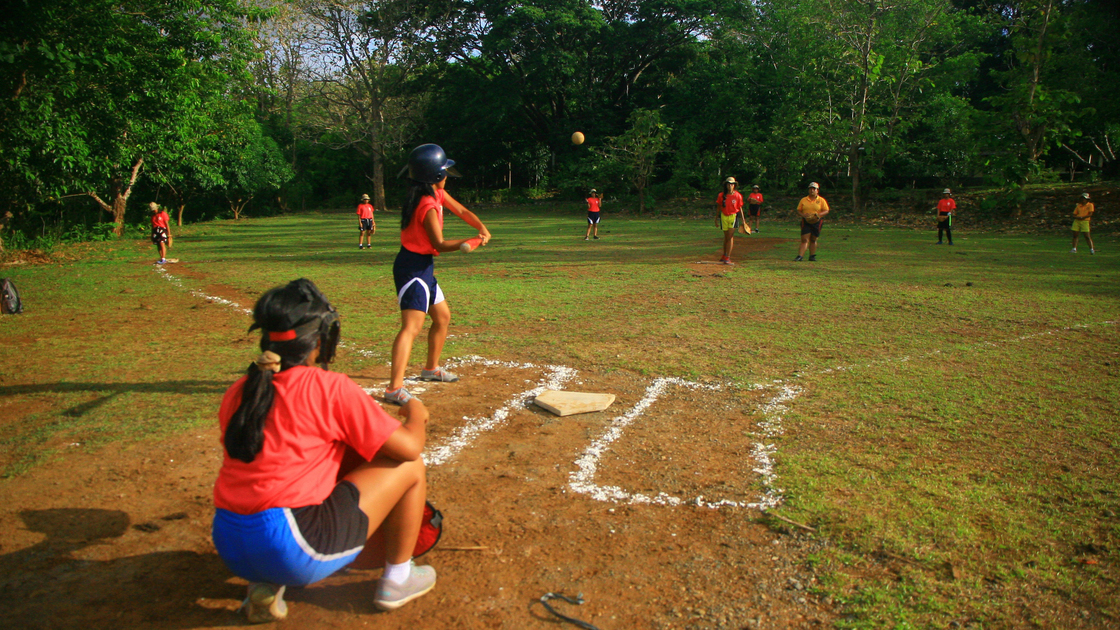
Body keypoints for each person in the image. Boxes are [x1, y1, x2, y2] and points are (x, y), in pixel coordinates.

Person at [211, 278, 435, 624]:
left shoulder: (240, 391)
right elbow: (407, 448)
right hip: (293, 545)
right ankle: (398, 578)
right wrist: (416, 414)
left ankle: (266, 585)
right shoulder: (327, 387)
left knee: (309, 472)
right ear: (319, 341)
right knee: (411, 467)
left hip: (229, 544)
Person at [385, 144, 491, 405]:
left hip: (424, 267)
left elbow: (462, 211)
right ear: (434, 177)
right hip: (412, 268)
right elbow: (440, 243)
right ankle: (394, 388)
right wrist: (470, 241)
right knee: (412, 327)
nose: (446, 175)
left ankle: (431, 369)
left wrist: (481, 228)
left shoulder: (435, 194)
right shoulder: (427, 206)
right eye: (443, 171)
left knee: (442, 317)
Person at [715, 176, 747, 264]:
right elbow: (719, 207)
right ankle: (724, 254)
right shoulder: (721, 195)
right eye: (728, 184)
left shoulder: (738, 196)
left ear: (734, 185)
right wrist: (716, 218)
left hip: (733, 216)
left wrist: (743, 221)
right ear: (726, 185)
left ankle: (728, 256)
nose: (730, 186)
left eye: (732, 184)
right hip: (724, 216)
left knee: (730, 236)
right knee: (726, 237)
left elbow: (740, 208)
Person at [795, 182, 829, 261]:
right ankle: (800, 256)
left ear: (817, 190)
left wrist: (818, 215)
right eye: (810, 189)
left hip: (817, 222)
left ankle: (812, 256)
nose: (812, 190)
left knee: (813, 239)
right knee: (804, 239)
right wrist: (803, 215)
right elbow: (798, 210)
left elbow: (826, 210)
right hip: (806, 221)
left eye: (814, 189)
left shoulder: (821, 200)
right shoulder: (804, 200)